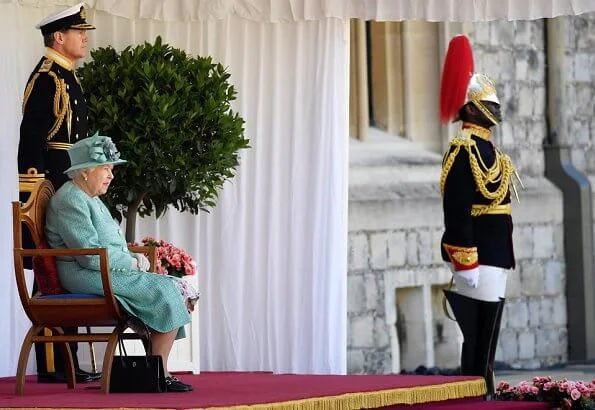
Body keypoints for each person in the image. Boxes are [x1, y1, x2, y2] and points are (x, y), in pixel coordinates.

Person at [45, 133, 199, 393]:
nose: (111, 175)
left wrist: (131, 259)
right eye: (106, 168)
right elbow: (89, 255)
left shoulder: (89, 196)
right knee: (164, 289)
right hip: (84, 271)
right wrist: (133, 263)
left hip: (102, 267)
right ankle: (160, 374)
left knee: (173, 285)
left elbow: (105, 248)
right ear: (84, 172)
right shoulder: (70, 200)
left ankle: (156, 372)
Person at [17, 2, 97, 384]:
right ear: (59, 37)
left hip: (70, 183)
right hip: (52, 185)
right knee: (50, 274)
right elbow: (31, 143)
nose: (85, 37)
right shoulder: (47, 78)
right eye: (79, 32)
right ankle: (54, 364)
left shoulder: (66, 75)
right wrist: (37, 199)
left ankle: (66, 362)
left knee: (67, 271)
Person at [438, 35, 521, 398]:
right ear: (470, 109)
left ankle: (482, 391)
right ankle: (473, 395)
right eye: (487, 105)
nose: (495, 111)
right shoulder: (462, 150)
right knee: (477, 336)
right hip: (478, 256)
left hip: (497, 253)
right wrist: (464, 259)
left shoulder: (487, 148)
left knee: (488, 334)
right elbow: (456, 210)